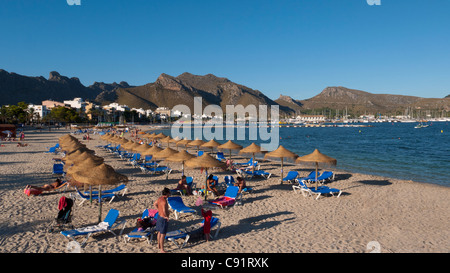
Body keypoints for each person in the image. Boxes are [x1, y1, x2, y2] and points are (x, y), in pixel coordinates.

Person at [153, 187, 171, 253]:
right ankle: (162, 250)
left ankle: (159, 246)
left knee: (159, 232)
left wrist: (158, 209)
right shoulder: (164, 201)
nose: (170, 194)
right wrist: (166, 216)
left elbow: (154, 204)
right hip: (163, 218)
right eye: (169, 193)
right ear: (167, 193)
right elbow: (164, 209)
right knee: (163, 234)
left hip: (159, 217)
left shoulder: (159, 198)